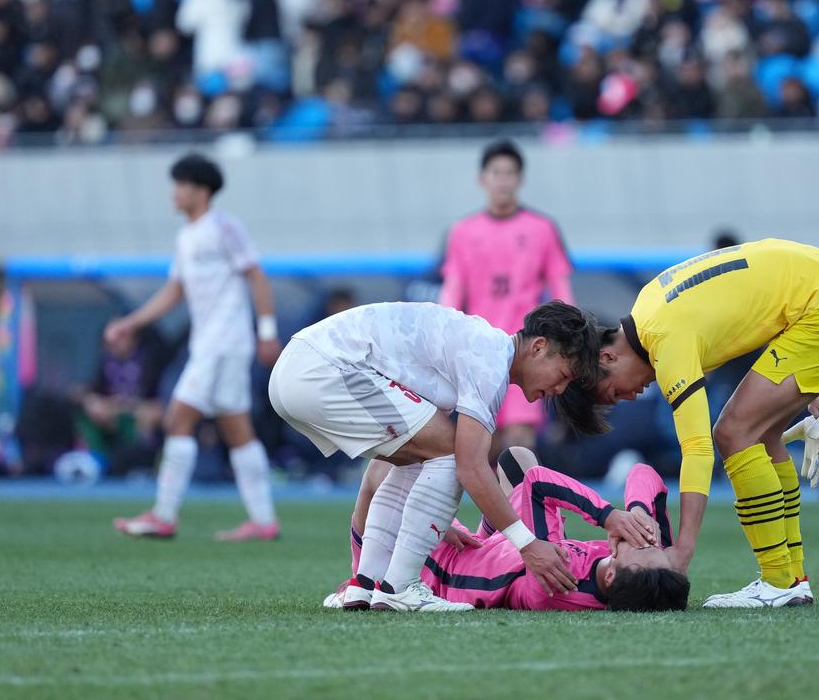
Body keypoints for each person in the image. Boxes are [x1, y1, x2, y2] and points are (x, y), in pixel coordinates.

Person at [268, 300, 656, 612]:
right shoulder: (489, 360)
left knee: (420, 457)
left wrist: (431, 516)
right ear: (539, 347)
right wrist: (528, 545)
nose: (559, 388)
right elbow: (470, 466)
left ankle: (365, 585)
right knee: (452, 454)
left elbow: (404, 467)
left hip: (299, 369)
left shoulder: (483, 348)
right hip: (322, 369)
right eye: (566, 373)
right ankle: (400, 587)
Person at [587, 238, 819, 607]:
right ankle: (793, 579)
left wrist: (683, 551)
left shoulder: (663, 339)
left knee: (732, 432)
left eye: (614, 392)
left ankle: (777, 581)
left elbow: (697, 450)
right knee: (763, 435)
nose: (629, 397)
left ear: (608, 356)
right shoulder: (647, 304)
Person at [111, 154, 283, 542]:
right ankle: (263, 521)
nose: (174, 193)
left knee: (178, 418)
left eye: (180, 184)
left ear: (201, 189)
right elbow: (176, 289)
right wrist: (131, 322)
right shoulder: (186, 236)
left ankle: (164, 514)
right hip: (213, 343)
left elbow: (257, 275)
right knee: (236, 428)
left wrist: (267, 332)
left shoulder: (224, 227)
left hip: (224, 342)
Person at [325, 447, 689, 612]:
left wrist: (610, 515)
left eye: (641, 545)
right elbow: (645, 474)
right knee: (516, 455)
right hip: (490, 548)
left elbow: (536, 483)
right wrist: (641, 512)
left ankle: (364, 579)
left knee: (383, 470)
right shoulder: (643, 573)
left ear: (611, 576)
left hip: (442, 571)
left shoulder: (555, 579)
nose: (643, 538)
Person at [439, 139, 574, 453]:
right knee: (482, 446)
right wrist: (442, 339)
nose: (503, 180)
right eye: (496, 172)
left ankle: (521, 504)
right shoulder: (462, 232)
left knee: (518, 443)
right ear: (482, 179)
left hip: (526, 351)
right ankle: (497, 504)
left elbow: (561, 290)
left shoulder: (542, 228)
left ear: (520, 179)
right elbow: (452, 292)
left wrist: (568, 339)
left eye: (510, 173)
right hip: (477, 351)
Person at [75, 324, 165, 477]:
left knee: (148, 415)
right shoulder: (106, 361)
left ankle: (145, 466)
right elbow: (87, 389)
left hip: (142, 409)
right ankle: (95, 462)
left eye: (121, 336)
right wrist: (90, 399)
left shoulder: (151, 359)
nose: (115, 341)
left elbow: (157, 400)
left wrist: (122, 407)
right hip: (115, 410)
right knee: (94, 408)